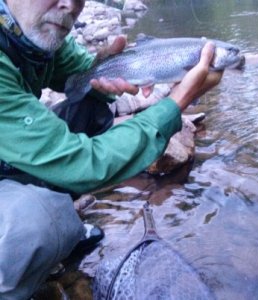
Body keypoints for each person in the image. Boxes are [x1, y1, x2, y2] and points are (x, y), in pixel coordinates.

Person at [0, 0, 223, 299]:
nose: (69, 5)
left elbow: (80, 78)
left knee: (92, 109)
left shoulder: (36, 32)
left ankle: (64, 234)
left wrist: (106, 64)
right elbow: (84, 164)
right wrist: (177, 101)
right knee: (34, 223)